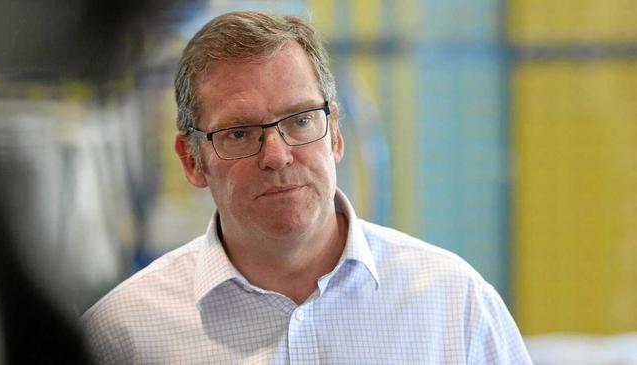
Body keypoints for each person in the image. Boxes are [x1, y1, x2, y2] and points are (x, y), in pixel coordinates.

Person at [82, 11, 533, 364]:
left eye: (299, 121)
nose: (276, 155)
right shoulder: (121, 337)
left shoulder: (454, 306)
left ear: (335, 133)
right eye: (240, 132)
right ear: (191, 160)